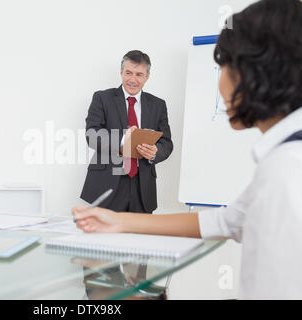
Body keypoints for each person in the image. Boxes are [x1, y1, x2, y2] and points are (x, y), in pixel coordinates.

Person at [72, 0, 302, 299]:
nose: (218, 86)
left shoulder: (287, 171)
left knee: (140, 271)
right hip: (109, 190)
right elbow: (223, 221)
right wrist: (118, 220)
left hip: (141, 190)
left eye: (224, 68)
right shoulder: (280, 161)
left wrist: (154, 152)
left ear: (259, 74)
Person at [80, 50, 173, 214]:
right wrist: (124, 141)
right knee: (103, 238)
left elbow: (166, 142)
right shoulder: (102, 98)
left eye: (139, 74)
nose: (132, 79)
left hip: (142, 187)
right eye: (128, 73)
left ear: (147, 77)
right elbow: (92, 135)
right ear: (121, 73)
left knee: (140, 238)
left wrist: (155, 152)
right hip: (106, 183)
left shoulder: (158, 105)